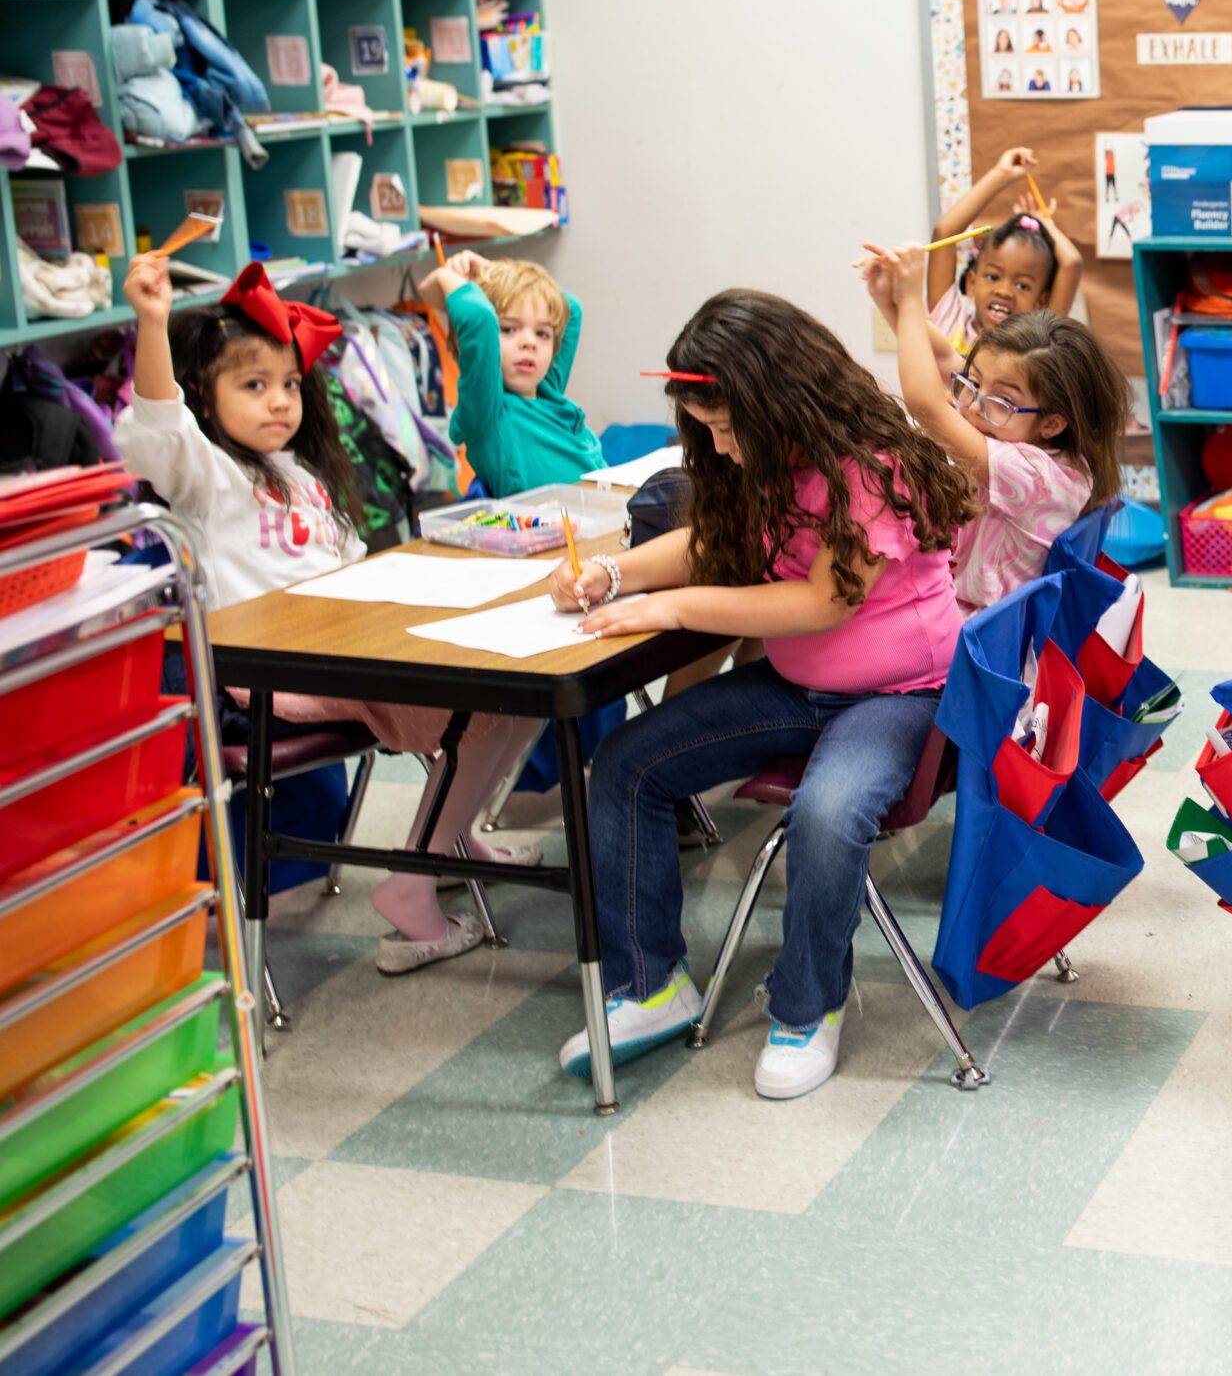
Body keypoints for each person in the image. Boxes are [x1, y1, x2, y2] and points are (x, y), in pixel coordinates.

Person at [551, 291, 973, 1099]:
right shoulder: (770, 461)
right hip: (801, 684)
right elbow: (718, 541)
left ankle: (808, 1005)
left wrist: (674, 605)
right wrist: (610, 572)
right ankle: (651, 986)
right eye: (705, 430)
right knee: (628, 763)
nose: (720, 446)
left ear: (784, 399)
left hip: (899, 694)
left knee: (826, 811)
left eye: (726, 426)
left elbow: (823, 601)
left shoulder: (873, 464)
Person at [115, 255, 541, 974]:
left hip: (339, 651)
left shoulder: (300, 474)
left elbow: (346, 576)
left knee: (516, 691)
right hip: (265, 681)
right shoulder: (207, 476)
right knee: (488, 707)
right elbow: (159, 429)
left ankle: (449, 836)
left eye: (288, 384)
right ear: (203, 394)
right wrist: (152, 323)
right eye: (253, 386)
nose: (280, 401)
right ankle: (411, 885)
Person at [866, 241, 1125, 611]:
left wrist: (909, 301)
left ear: (1052, 422)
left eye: (1001, 401)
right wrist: (887, 299)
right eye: (972, 382)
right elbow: (941, 355)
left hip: (979, 631)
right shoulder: (1056, 448)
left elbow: (925, 405)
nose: (971, 405)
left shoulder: (1032, 474)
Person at [422, 252, 602, 498]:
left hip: (606, 518)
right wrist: (446, 276)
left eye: (542, 334)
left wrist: (496, 273)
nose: (529, 342)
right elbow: (479, 318)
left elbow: (571, 311)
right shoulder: (487, 411)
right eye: (507, 329)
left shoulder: (548, 389)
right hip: (556, 530)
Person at [924, 146, 1087, 354]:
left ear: (1041, 302)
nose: (1004, 291)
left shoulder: (1036, 352)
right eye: (993, 277)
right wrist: (1001, 175)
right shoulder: (949, 326)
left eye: (1022, 285)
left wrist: (1041, 222)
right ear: (972, 283)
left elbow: (1071, 263)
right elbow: (944, 233)